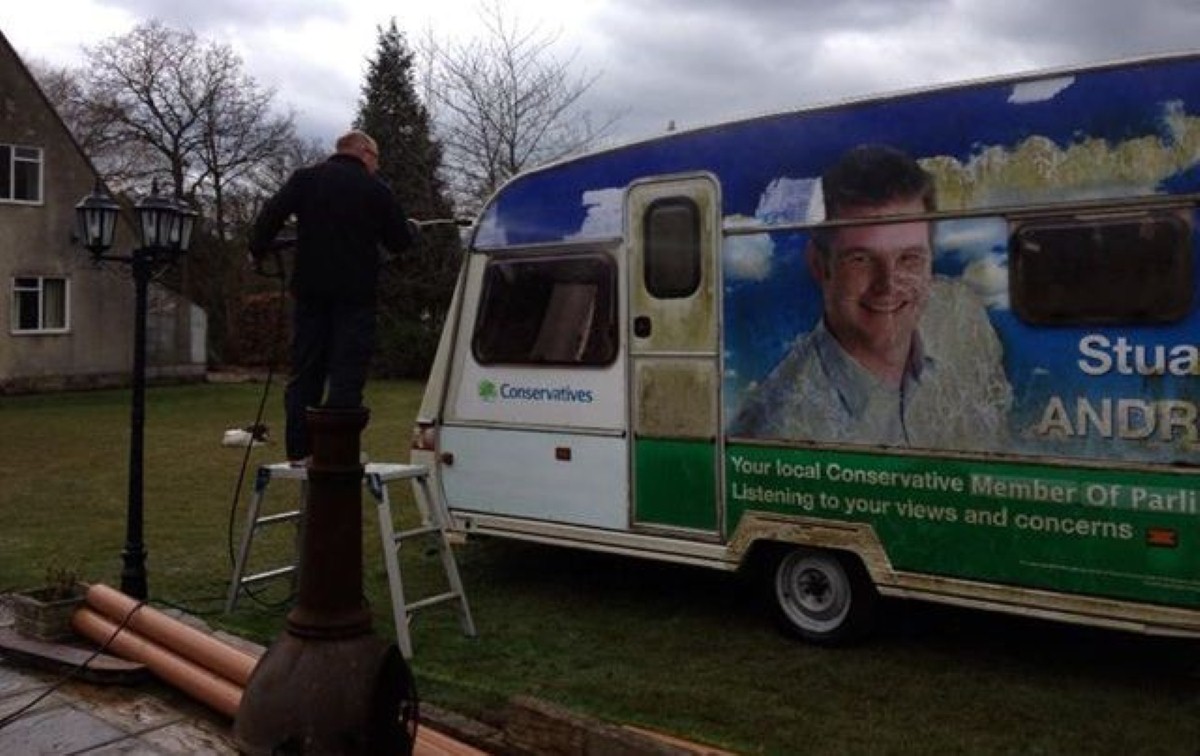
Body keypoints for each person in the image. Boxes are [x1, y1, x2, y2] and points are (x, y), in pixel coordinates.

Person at [730, 144, 1011, 449]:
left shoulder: (961, 314)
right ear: (820, 265)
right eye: (861, 259)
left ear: (931, 257)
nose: (888, 284)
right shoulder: (777, 428)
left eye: (910, 258)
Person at [249, 129, 414, 464]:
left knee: (305, 372)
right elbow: (399, 241)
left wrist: (258, 249)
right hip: (356, 296)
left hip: (309, 292)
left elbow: (269, 217)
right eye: (376, 159)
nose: (376, 166)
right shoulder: (375, 189)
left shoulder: (305, 179)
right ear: (365, 153)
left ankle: (301, 451)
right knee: (346, 372)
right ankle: (337, 451)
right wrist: (411, 229)